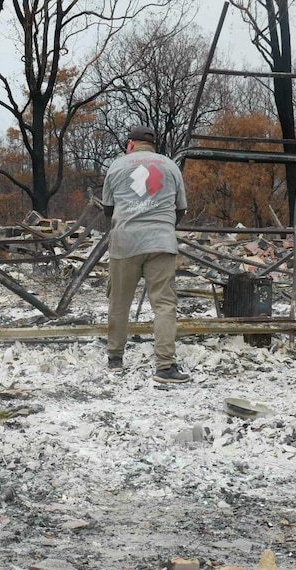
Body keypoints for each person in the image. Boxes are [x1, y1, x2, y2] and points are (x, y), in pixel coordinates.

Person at [102, 125, 190, 383]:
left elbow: (108, 209)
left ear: (130, 144)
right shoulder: (170, 166)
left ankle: (115, 358)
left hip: (125, 242)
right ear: (153, 145)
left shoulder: (117, 166)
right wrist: (160, 226)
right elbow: (180, 209)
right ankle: (165, 367)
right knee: (164, 305)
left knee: (119, 302)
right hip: (161, 242)